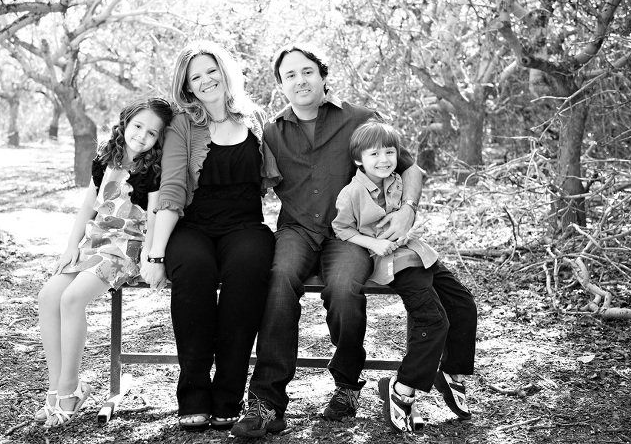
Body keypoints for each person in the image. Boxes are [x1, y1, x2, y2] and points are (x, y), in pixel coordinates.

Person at [232, 43, 423, 438]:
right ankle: (267, 403)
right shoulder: (271, 131)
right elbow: (247, 182)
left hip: (349, 233)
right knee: (279, 281)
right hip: (297, 229)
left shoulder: (360, 119)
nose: (300, 80)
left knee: (343, 288)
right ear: (281, 85)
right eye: (290, 75)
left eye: (307, 71)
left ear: (322, 76)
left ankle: (347, 384)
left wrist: (407, 209)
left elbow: (410, 168)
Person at [142, 40, 276, 431]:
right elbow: (171, 190)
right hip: (193, 226)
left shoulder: (255, 118)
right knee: (194, 270)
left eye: (211, 71)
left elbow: (279, 178)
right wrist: (155, 255)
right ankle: (194, 394)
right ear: (186, 87)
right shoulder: (183, 124)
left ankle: (228, 396)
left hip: (245, 226)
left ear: (225, 71)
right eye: (195, 77)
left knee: (249, 268)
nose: (205, 81)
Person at [331, 120, 478, 432]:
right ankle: (401, 388)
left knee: (463, 303)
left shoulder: (397, 180)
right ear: (358, 159)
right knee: (433, 319)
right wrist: (374, 243)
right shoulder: (352, 193)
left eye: (389, 152)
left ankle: (450, 372)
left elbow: (407, 206)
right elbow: (341, 229)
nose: (384, 159)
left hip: (417, 252)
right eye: (374, 154)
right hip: (393, 262)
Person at [36, 97, 174, 427]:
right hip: (95, 240)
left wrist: (150, 255)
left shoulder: (153, 168)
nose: (142, 136)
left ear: (159, 139)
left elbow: (153, 215)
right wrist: (71, 246)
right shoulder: (105, 157)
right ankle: (54, 390)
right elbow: (88, 206)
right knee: (48, 296)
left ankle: (70, 390)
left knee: (72, 299)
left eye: (152, 133)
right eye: (138, 126)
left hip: (126, 247)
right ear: (125, 123)